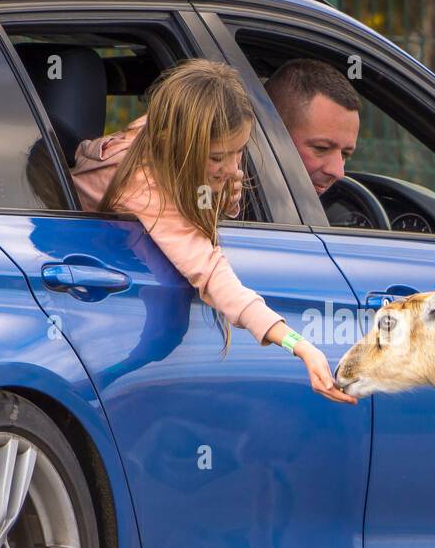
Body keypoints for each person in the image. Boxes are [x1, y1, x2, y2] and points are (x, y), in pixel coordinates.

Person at [71, 58, 355, 404]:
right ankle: (88, 394)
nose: (234, 167)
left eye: (239, 152)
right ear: (174, 140)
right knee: (166, 332)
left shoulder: (164, 134)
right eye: (219, 157)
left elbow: (205, 197)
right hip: (89, 271)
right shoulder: (146, 186)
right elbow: (212, 274)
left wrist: (224, 191)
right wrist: (301, 346)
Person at [262, 58, 361, 197]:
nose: (338, 172)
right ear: (268, 134)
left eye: (345, 154)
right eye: (321, 148)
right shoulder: (231, 204)